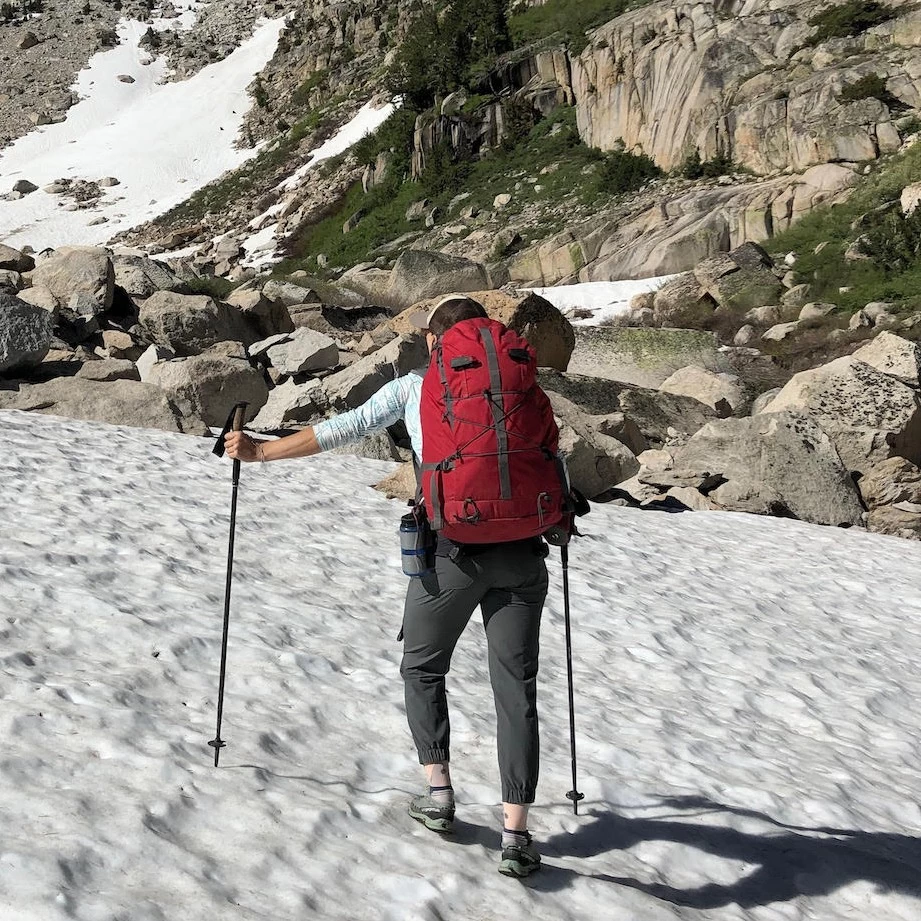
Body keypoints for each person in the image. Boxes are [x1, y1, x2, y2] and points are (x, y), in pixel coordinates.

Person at [225, 295, 547, 877]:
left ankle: (440, 795)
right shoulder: (520, 385)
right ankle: (517, 834)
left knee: (423, 667)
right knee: (515, 691)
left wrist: (261, 452)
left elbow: (346, 427)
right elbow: (550, 462)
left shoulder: (415, 387)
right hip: (523, 555)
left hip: (450, 552)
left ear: (434, 341)